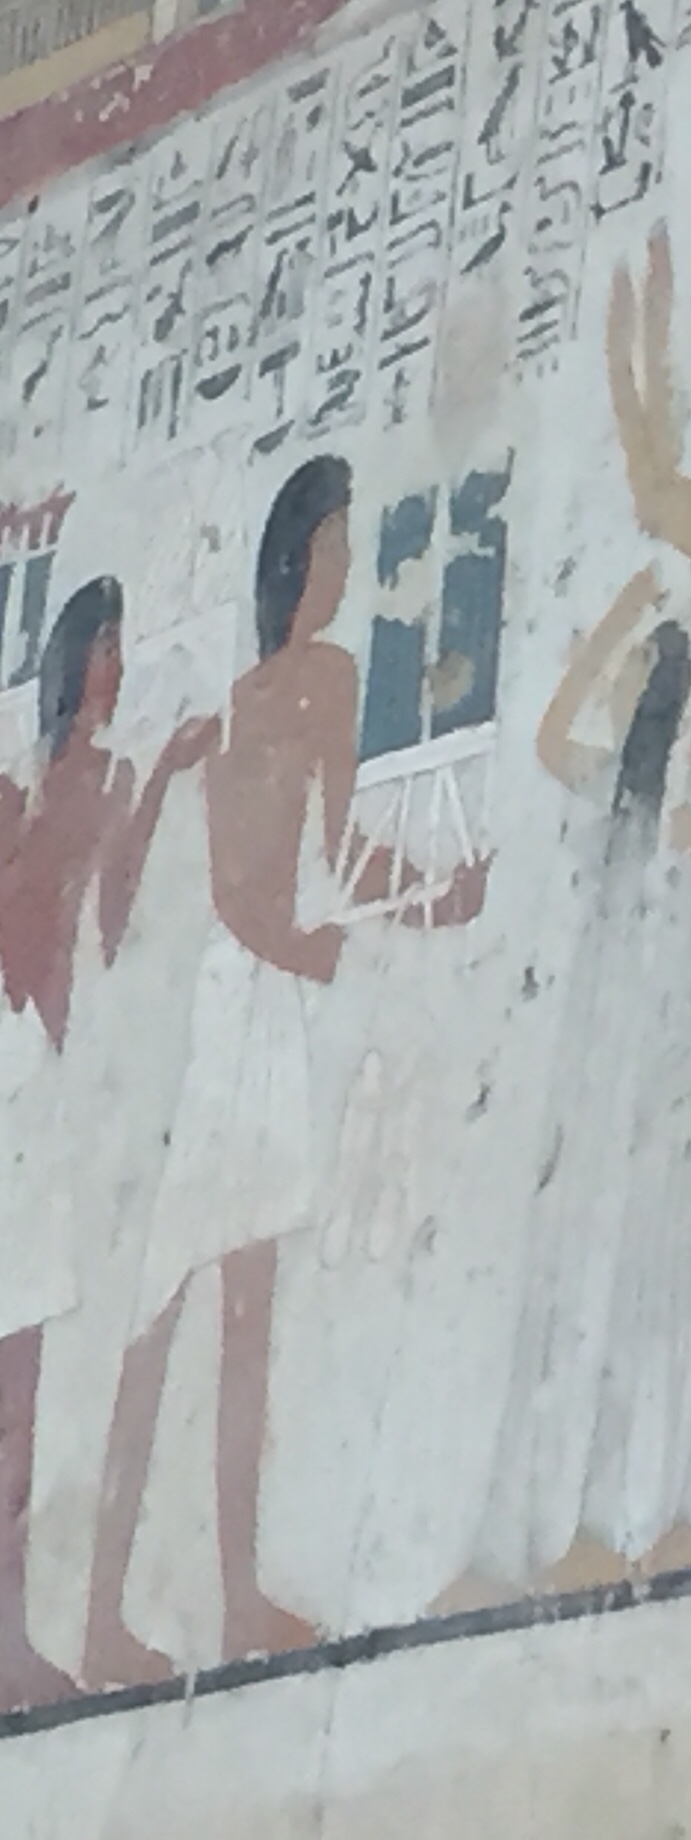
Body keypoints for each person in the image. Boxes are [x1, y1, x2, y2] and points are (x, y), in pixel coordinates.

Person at [83, 457, 486, 1686]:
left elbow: (296, 862)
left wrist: (404, 905)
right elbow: (311, 863)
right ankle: (138, 1607)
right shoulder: (311, 683)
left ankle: (207, 1597)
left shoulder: (263, 693)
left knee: (212, 1311)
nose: (347, 565)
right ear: (296, 561)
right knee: (186, 1310)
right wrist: (427, 903)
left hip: (247, 996)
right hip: (249, 1003)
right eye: (336, 544)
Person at [0, 582, 212, 1705]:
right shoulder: (22, 788)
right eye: (107, 647)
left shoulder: (108, 778)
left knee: (24, 1384)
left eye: (126, 647)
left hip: (46, 1079)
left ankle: (14, 1632)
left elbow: (114, 912)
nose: (117, 668)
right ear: (73, 659)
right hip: (17, 1061)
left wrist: (166, 771)